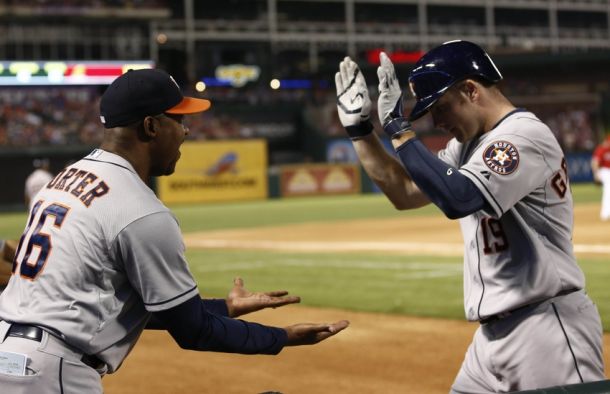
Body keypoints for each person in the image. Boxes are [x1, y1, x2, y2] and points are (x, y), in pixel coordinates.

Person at [0, 68, 349, 393]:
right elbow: (192, 330)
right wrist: (282, 337)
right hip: (51, 372)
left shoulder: (63, 180)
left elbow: (102, 305)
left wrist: (224, 307)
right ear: (151, 127)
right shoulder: (139, 210)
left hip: (12, 353)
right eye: (179, 119)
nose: (186, 130)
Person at [335, 40, 604, 393]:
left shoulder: (522, 134)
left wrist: (401, 130)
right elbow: (405, 193)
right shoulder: (469, 145)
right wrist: (361, 132)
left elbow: (459, 198)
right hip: (490, 337)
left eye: (441, 108)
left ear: (470, 90)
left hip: (544, 328)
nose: (437, 121)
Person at [591, 135, 610, 221]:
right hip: (604, 171)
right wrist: (596, 174)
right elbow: (595, 162)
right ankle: (605, 213)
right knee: (608, 188)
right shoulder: (602, 149)